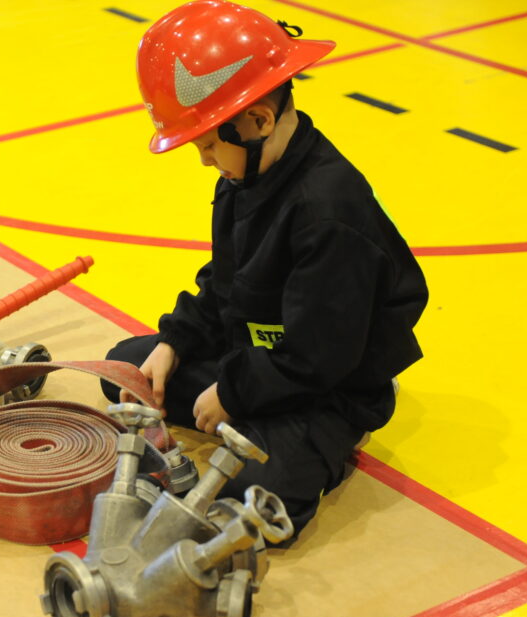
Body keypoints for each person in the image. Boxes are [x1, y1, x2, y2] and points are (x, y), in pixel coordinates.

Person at [101, 0, 428, 541]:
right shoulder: (244, 178)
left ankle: (312, 441)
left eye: (207, 145)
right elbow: (225, 281)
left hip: (327, 385)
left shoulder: (328, 212)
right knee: (127, 373)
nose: (205, 160)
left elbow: (321, 356)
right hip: (260, 358)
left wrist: (231, 391)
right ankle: (250, 416)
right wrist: (175, 342)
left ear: (257, 121)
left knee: (250, 498)